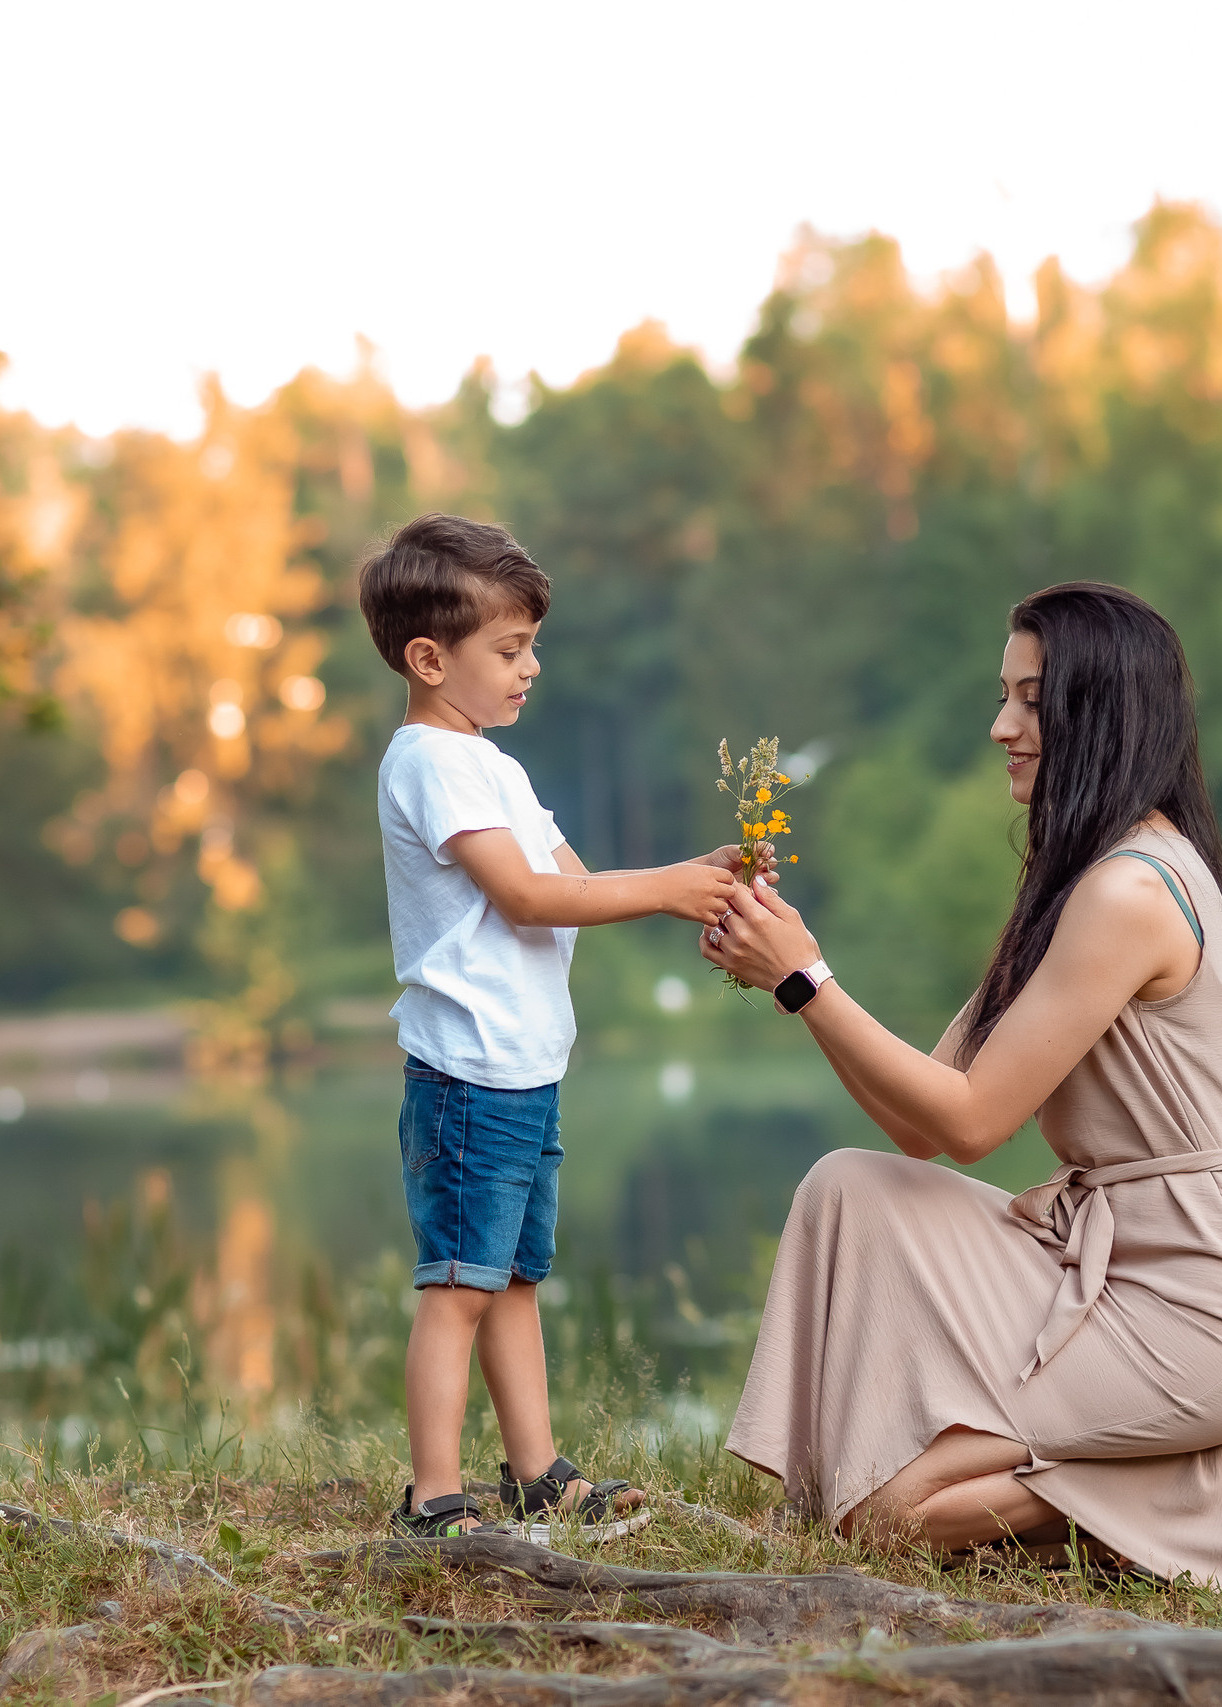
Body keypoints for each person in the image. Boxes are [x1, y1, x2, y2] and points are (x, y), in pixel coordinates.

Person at [701, 581, 1222, 1589]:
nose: (1002, 725)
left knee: (885, 1515)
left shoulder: (1129, 891)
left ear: (1102, 711)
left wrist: (803, 979)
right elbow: (926, 1118)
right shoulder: (1071, 874)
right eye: (1003, 695)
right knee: (848, 1187)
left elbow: (972, 1124)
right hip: (1121, 1267)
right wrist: (800, 978)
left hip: (1215, 1300)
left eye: (1031, 699)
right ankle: (1153, 1467)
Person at [362, 513, 748, 1539]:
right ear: (429, 658)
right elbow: (527, 899)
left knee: (515, 1277)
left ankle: (535, 1473)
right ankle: (433, 1496)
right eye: (510, 649)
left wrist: (694, 882)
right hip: (466, 1073)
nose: (532, 666)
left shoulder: (492, 765)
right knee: (457, 1285)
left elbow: (576, 882)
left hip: (522, 1070)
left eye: (531, 644)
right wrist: (666, 889)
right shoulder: (430, 764)